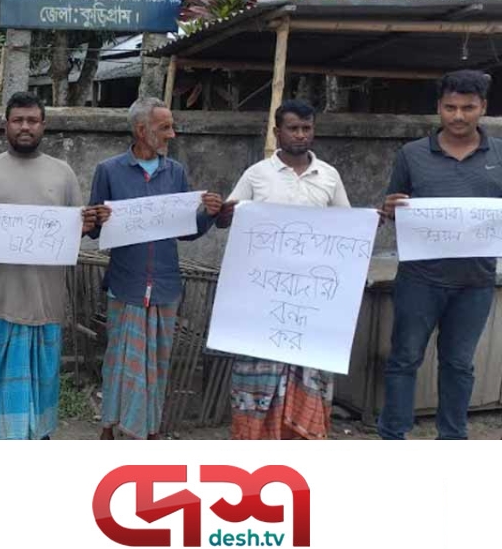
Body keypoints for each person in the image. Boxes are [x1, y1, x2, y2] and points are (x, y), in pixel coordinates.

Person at [0, 92, 100, 440]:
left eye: (32, 121)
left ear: (43, 125)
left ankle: (38, 442)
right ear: (6, 125)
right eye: (18, 120)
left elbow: (75, 229)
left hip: (46, 304)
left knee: (43, 384)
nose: (25, 127)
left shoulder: (62, 174)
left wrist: (86, 224)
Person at [87, 97, 223, 440]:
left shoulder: (174, 172)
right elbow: (95, 230)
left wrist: (208, 214)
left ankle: (148, 429)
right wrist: (97, 219)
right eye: (165, 128)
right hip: (126, 282)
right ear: (141, 130)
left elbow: (186, 231)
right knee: (119, 360)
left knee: (157, 363)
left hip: (164, 284)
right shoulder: (109, 171)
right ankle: (109, 425)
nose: (171, 134)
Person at [216, 100, 351, 440]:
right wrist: (223, 213)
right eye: (293, 128)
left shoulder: (329, 176)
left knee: (310, 370)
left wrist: (369, 223)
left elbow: (348, 227)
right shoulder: (257, 174)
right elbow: (227, 218)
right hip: (263, 298)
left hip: (311, 300)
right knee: (257, 371)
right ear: (278, 132)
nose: (301, 135)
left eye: (307, 128)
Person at [378, 69, 500, 440]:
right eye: (450, 107)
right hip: (419, 280)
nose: (458, 116)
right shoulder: (412, 154)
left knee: (459, 364)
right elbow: (391, 206)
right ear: (438, 107)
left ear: (483, 107)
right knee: (404, 359)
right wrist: (389, 208)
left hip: (476, 282)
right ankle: (392, 436)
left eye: (468, 107)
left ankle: (452, 440)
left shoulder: (500, 154)